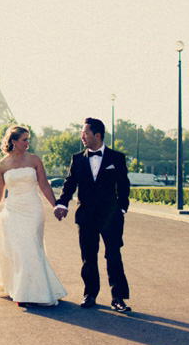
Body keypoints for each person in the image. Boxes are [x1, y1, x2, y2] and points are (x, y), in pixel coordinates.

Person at [0, 125, 67, 307]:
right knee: (19, 251)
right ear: (13, 141)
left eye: (28, 139)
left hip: (33, 210)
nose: (28, 143)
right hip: (12, 210)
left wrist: (56, 206)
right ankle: (22, 291)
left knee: (32, 247)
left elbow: (44, 185)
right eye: (24, 139)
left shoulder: (35, 160)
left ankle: (36, 290)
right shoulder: (1, 165)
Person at [54, 117, 132, 313]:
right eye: (82, 133)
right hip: (86, 215)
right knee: (88, 257)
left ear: (98, 135)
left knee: (113, 255)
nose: (82, 136)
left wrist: (122, 207)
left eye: (85, 133)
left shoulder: (117, 158)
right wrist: (62, 203)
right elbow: (70, 183)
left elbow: (123, 185)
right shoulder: (77, 158)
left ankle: (118, 298)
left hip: (111, 216)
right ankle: (90, 294)